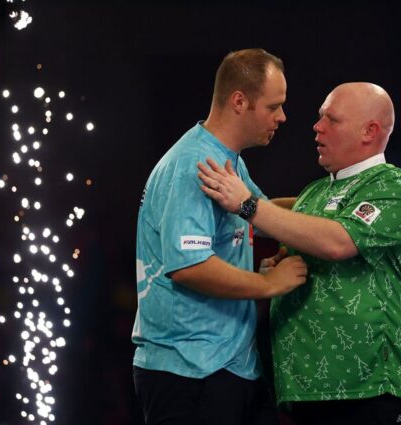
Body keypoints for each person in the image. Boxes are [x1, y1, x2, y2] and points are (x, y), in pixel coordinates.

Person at [197, 82, 401, 424]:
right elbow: (287, 226)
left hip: (373, 390)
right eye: (320, 117)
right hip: (306, 393)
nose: (317, 127)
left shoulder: (393, 186)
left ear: (369, 131)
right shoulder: (315, 193)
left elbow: (337, 241)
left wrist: (247, 204)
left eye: (332, 120)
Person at [132, 48, 307, 425]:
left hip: (228, 365)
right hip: (189, 371)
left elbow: (258, 212)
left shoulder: (226, 159)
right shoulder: (194, 165)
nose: (282, 116)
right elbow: (190, 267)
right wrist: (268, 284)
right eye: (274, 106)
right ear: (239, 101)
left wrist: (327, 202)